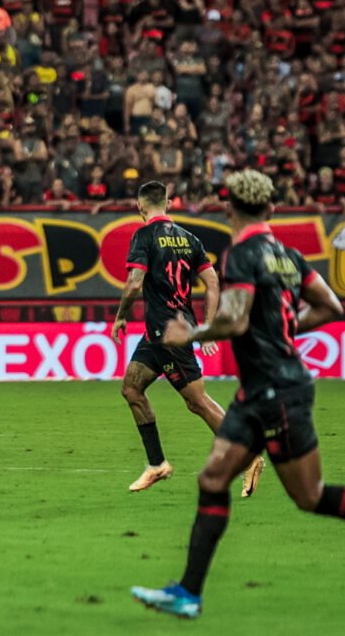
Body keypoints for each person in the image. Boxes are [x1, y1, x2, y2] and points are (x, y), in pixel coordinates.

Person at [131, 170, 345, 619]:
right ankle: (188, 593)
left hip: (277, 393)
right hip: (264, 389)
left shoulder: (242, 254)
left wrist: (191, 332)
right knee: (213, 480)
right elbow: (330, 306)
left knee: (309, 496)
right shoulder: (290, 256)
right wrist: (284, 328)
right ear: (272, 210)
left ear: (230, 211)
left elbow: (235, 321)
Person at [112, 180, 265, 494]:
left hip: (169, 335)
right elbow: (212, 281)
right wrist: (207, 326)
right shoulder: (189, 239)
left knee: (198, 403)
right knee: (131, 389)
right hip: (160, 334)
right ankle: (157, 465)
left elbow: (133, 284)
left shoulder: (143, 235)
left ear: (140, 207)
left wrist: (120, 316)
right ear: (168, 203)